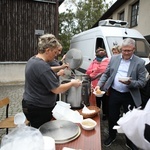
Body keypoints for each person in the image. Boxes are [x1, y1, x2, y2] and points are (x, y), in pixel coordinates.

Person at [95, 38, 147, 149]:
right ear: (121, 49)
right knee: (112, 116)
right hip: (114, 93)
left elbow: (142, 82)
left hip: (129, 95)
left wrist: (130, 82)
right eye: (124, 50)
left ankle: (130, 141)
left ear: (134, 49)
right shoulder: (114, 58)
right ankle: (112, 136)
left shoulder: (139, 62)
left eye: (129, 50)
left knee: (130, 119)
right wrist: (99, 85)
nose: (126, 53)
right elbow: (106, 73)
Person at [22, 33, 82, 129]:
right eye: (54, 52)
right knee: (42, 133)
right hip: (39, 108)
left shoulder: (32, 60)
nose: (56, 55)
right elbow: (56, 89)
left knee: (36, 130)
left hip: (30, 104)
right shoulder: (42, 66)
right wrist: (72, 83)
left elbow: (44, 73)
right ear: (47, 50)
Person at [86, 47, 109, 120]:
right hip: (96, 85)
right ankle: (97, 113)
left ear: (105, 53)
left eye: (102, 51)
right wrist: (95, 70)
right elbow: (88, 72)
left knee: (105, 101)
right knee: (96, 101)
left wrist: (97, 71)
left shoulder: (107, 61)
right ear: (96, 54)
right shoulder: (94, 62)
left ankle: (105, 114)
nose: (101, 52)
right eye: (99, 51)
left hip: (105, 85)